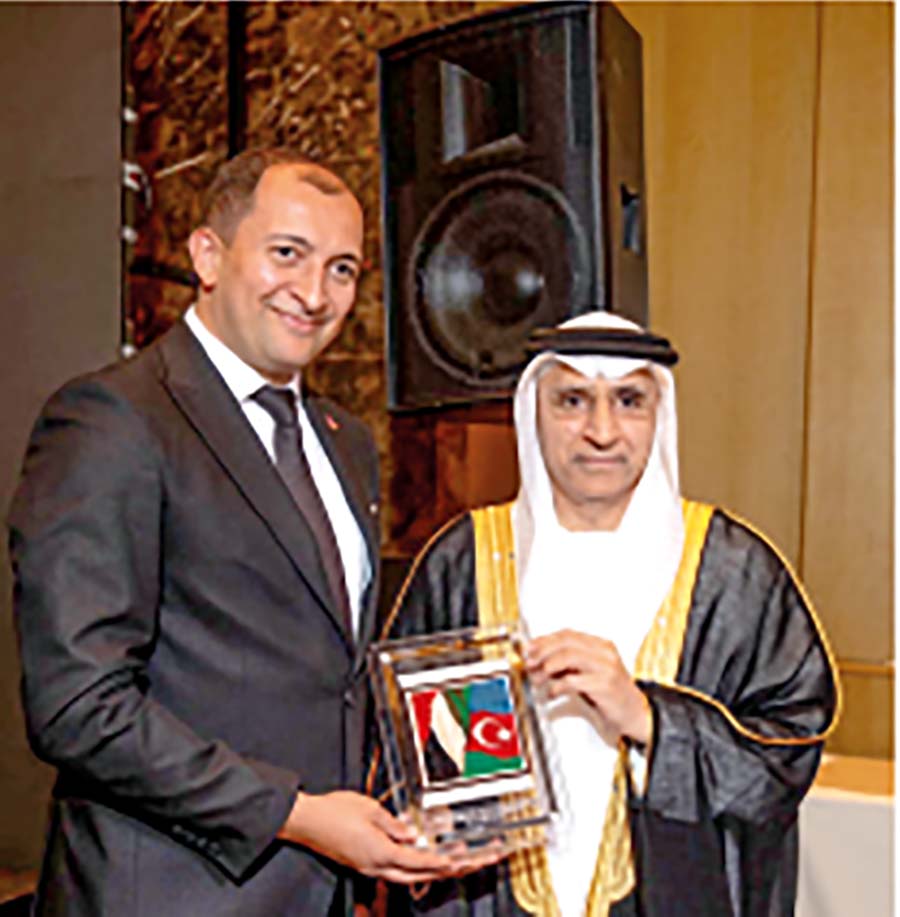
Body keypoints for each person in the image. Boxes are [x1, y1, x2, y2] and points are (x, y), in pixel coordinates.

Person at [9, 148, 485, 916]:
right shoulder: (115, 420)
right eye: (287, 253)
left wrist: (431, 805)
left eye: (341, 268)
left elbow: (330, 676)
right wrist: (299, 814)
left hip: (322, 894)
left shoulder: (346, 441)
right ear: (208, 255)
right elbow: (78, 705)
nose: (314, 293)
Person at [381, 310, 840, 916]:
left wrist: (648, 717)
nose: (602, 431)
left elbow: (786, 755)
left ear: (659, 416)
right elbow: (396, 753)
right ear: (533, 413)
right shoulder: (465, 560)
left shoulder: (731, 571)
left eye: (628, 401)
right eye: (572, 401)